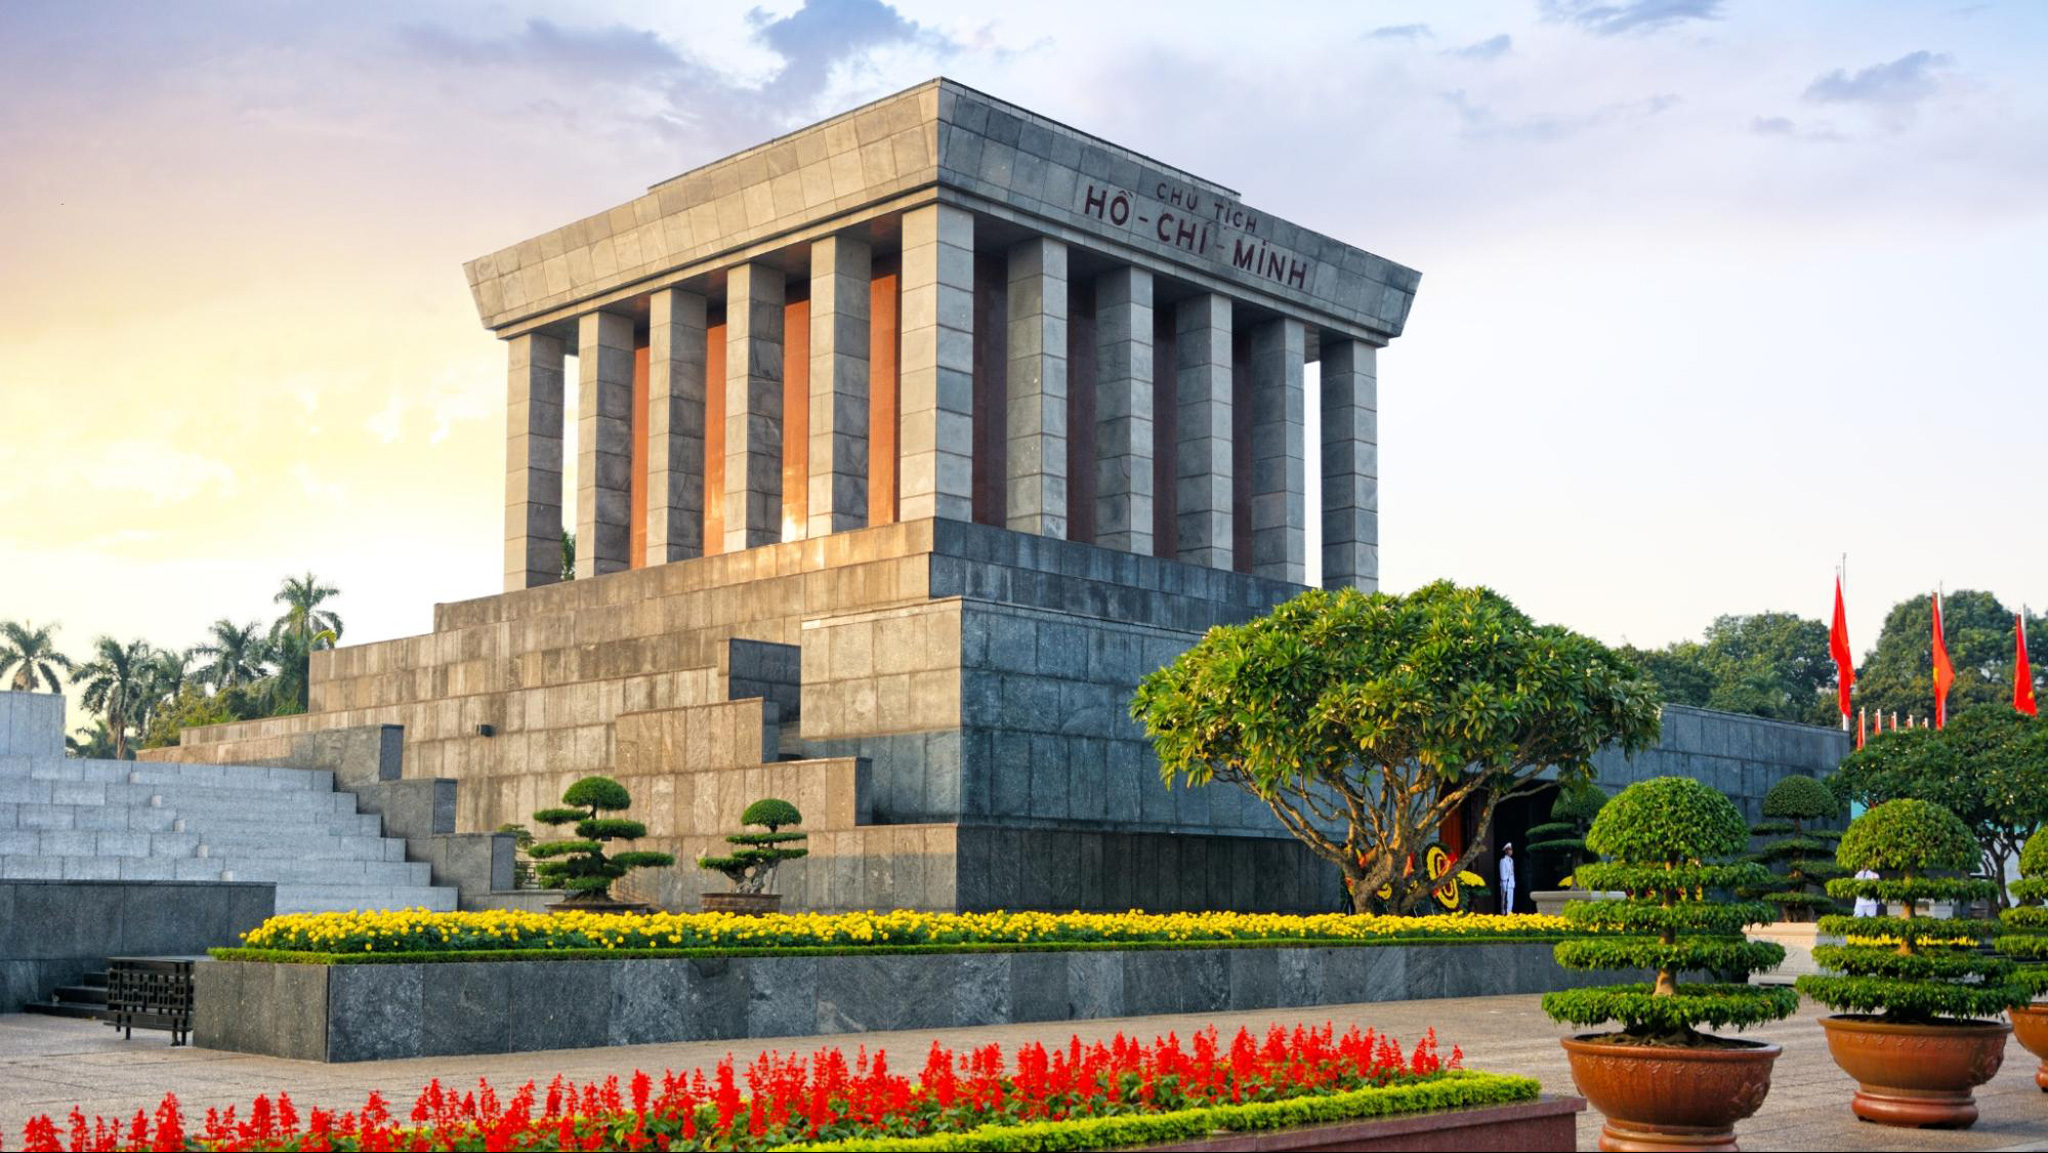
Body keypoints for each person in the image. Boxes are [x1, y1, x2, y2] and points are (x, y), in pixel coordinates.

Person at [1498, 843, 1517, 915]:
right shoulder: (1503, 861)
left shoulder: (1511, 860)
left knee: (1510, 900)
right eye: (1509, 850)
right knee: (1505, 900)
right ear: (1506, 851)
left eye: (1511, 849)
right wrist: (1504, 884)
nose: (1511, 851)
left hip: (1511, 883)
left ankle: (1509, 913)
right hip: (1506, 883)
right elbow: (1503, 874)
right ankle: (1504, 913)